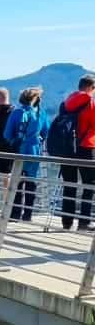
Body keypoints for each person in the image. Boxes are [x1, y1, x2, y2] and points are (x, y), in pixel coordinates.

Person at [3, 86, 49, 222]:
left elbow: (7, 134)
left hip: (18, 150)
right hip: (34, 151)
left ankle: (15, 214)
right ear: (36, 99)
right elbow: (46, 132)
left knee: (17, 182)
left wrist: (14, 141)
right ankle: (28, 214)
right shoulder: (41, 114)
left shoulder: (17, 112)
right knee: (31, 182)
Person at [57, 74, 95, 231]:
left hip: (66, 148)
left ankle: (67, 222)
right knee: (90, 184)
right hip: (86, 147)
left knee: (69, 184)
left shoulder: (65, 103)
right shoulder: (91, 103)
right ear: (91, 88)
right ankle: (84, 221)